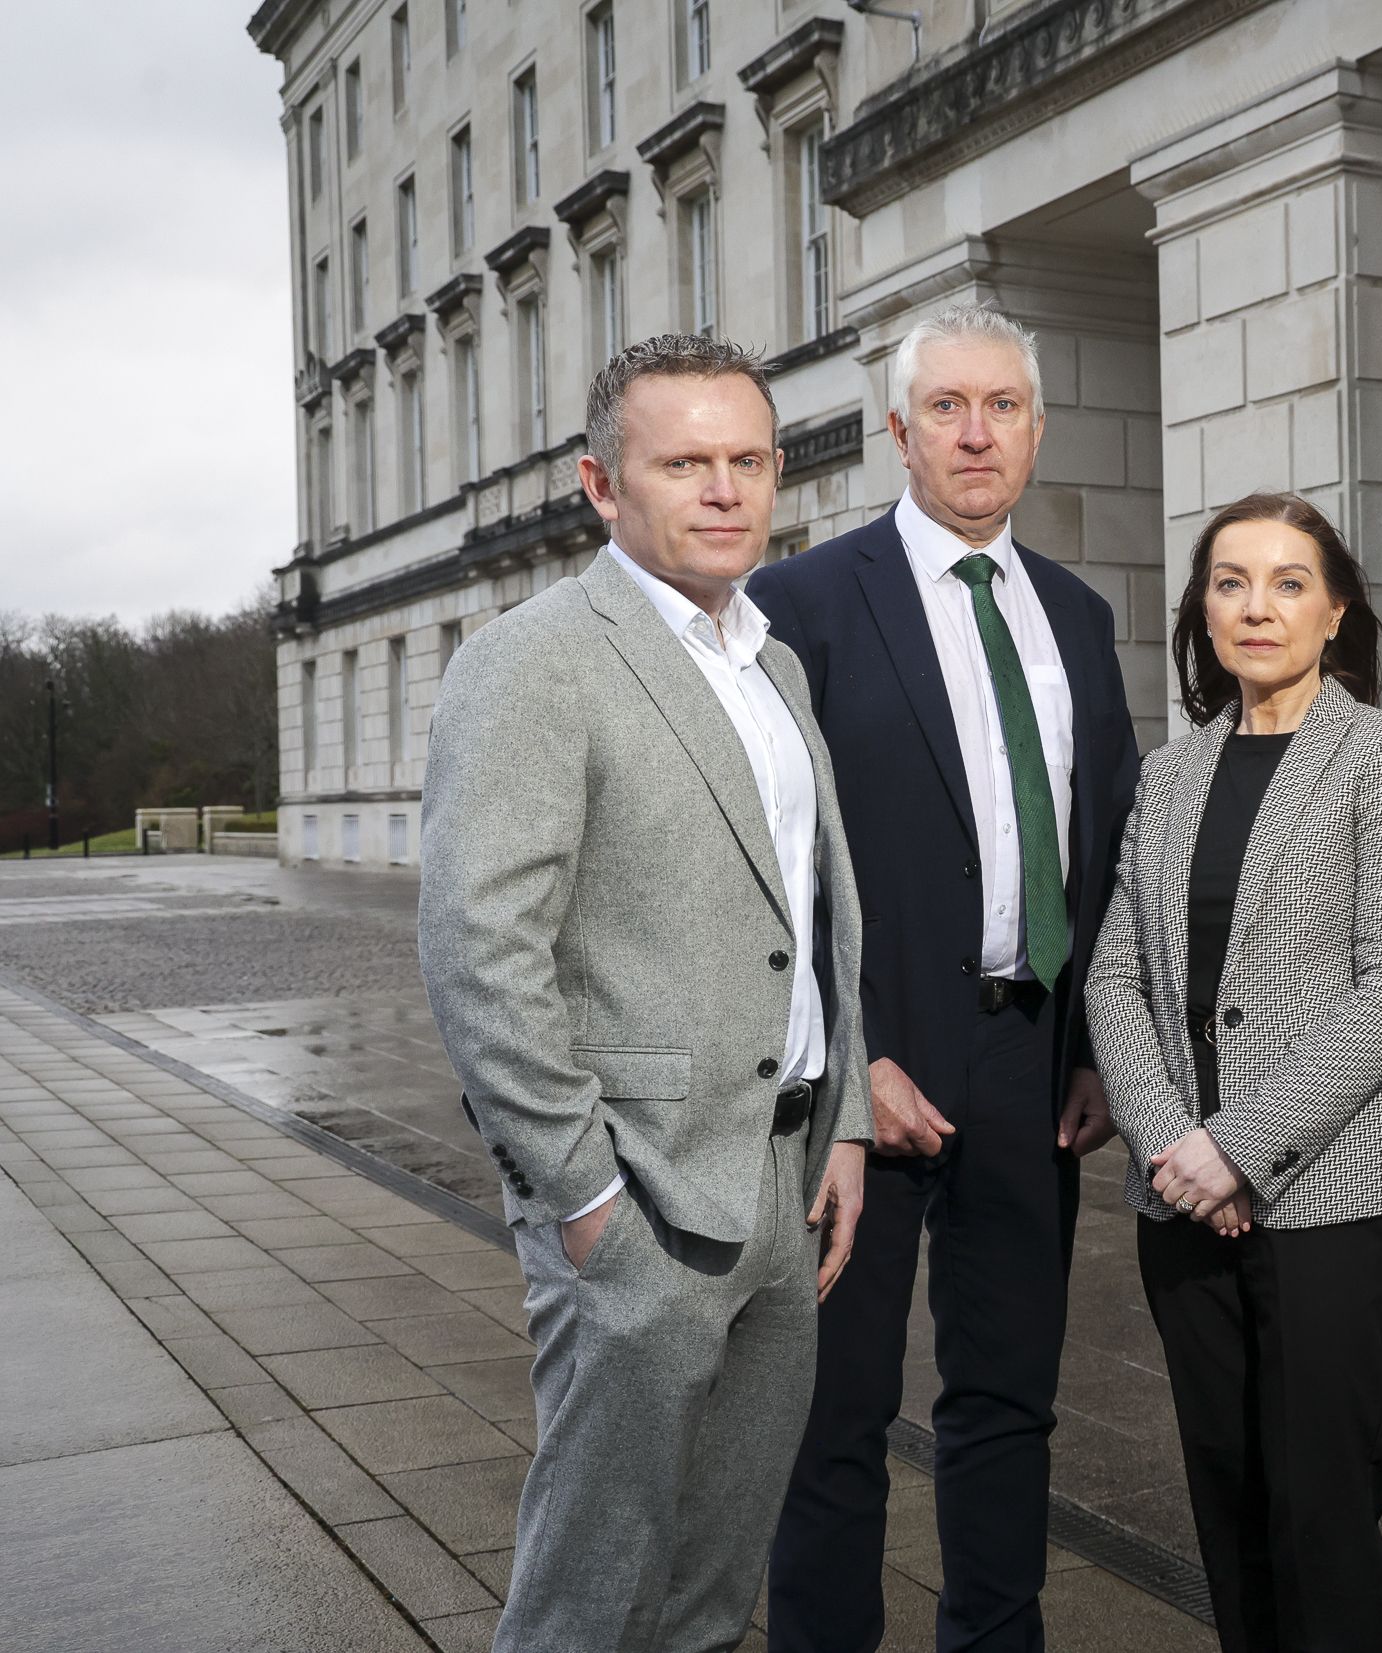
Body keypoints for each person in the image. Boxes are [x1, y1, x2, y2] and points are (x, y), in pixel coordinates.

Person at [417, 333, 874, 1653]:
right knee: (590, 1597)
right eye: (685, 464)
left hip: (783, 1183)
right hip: (639, 1203)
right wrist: (584, 1194)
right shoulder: (535, 660)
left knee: (714, 1593)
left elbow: (817, 910)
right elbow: (478, 946)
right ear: (603, 485)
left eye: (748, 460)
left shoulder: (772, 664)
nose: (726, 490)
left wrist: (839, 1121)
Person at [751, 301, 1140, 1653]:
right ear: (897, 431)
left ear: (1036, 428)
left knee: (1008, 1407)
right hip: (868, 1075)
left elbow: (1104, 850)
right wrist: (848, 1056)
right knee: (836, 1418)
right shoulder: (800, 605)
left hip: (1031, 1071)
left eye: (1006, 407)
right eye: (950, 408)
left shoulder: (1081, 620)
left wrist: (1094, 1041)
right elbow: (770, 858)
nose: (979, 433)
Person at [1085, 492, 1382, 1653]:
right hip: (1179, 1199)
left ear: (1334, 611)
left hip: (1333, 1202)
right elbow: (1114, 981)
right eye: (1231, 582)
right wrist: (1173, 1149)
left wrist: (1238, 1145)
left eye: (1289, 582)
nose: (1258, 606)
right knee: (1226, 1500)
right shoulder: (1169, 774)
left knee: (1322, 1510)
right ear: (1201, 609)